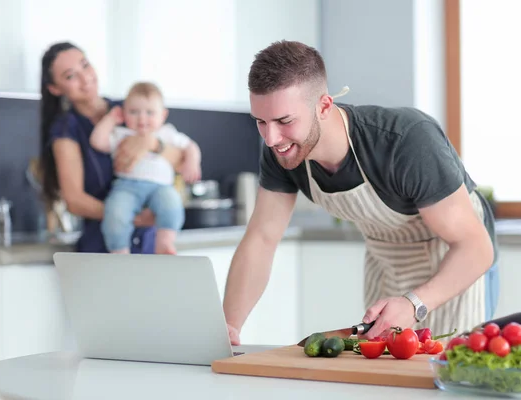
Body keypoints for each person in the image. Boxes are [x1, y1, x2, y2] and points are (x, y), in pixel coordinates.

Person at [222, 40, 499, 345]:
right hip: (386, 263)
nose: (272, 138)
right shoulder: (284, 151)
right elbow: (261, 238)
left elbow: (476, 248)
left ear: (324, 106)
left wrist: (414, 303)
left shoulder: (407, 142)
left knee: (444, 378)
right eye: (261, 122)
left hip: (455, 261)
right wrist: (228, 327)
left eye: (284, 121)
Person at [38, 42, 185, 253]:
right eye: (71, 76)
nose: (85, 77)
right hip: (103, 249)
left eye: (85, 65)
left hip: (149, 246)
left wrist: (152, 143)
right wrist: (132, 217)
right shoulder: (66, 129)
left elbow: (181, 161)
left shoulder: (130, 108)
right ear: (55, 88)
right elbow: (75, 201)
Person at [90, 81, 202, 254]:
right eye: (134, 112)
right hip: (126, 186)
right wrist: (110, 120)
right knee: (115, 213)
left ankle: (164, 241)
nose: (142, 118)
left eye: (150, 112)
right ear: (124, 113)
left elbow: (191, 146)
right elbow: (98, 142)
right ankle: (119, 250)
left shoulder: (167, 133)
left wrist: (192, 163)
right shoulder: (121, 133)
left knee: (172, 204)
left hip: (161, 187)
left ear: (163, 115)